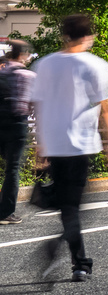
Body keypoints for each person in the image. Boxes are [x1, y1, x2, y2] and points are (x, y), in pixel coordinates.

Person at [29, 15, 108, 283]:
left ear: (64, 35)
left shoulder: (43, 64)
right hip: (82, 144)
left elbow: (38, 107)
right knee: (74, 207)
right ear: (87, 36)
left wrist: (40, 145)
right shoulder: (96, 65)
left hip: (55, 144)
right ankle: (73, 259)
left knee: (70, 207)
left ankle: (77, 260)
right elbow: (107, 109)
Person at [0, 41, 33, 226]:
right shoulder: (28, 75)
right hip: (16, 125)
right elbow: (36, 103)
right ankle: (5, 212)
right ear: (23, 55)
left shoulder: (1, 72)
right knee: (12, 169)